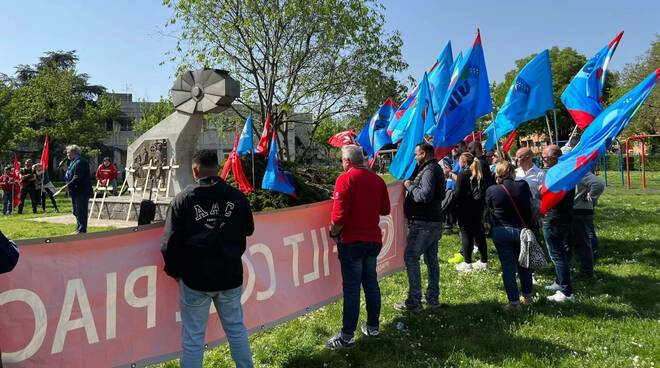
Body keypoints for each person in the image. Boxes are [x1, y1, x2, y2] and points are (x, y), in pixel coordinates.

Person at [161, 149, 254, 367]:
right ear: (218, 167)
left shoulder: (183, 199)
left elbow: (169, 244)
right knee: (236, 329)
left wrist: (174, 272)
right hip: (230, 274)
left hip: (196, 278)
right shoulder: (236, 196)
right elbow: (249, 229)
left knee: (193, 338)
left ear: (195, 169)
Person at [327, 145, 390, 349]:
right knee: (371, 284)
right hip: (373, 240)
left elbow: (338, 216)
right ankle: (372, 327)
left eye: (342, 161)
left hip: (352, 242)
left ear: (347, 161)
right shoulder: (378, 180)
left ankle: (347, 336)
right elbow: (385, 209)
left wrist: (334, 232)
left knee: (352, 289)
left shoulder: (344, 179)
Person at [394, 143, 445, 312]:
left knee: (411, 257)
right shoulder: (433, 168)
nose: (414, 157)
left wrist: (409, 186)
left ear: (423, 154)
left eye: (416, 154)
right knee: (431, 260)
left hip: (424, 223)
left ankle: (414, 301)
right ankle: (432, 298)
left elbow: (424, 195)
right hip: (433, 221)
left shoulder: (429, 170)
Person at [486, 161, 535, 310]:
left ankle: (514, 303)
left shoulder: (492, 190)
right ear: (512, 172)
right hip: (522, 230)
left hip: (501, 230)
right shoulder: (523, 186)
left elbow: (489, 208)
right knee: (524, 265)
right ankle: (527, 297)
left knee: (508, 268)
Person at [541, 145, 576, 302]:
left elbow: (549, 194)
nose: (544, 161)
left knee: (557, 255)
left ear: (555, 158)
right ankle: (559, 282)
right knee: (560, 252)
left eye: (546, 158)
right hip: (561, 217)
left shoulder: (559, 174)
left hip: (555, 218)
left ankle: (566, 291)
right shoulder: (564, 172)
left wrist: (540, 189)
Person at [453, 152, 488, 272]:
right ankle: (484, 261)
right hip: (478, 208)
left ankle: (467, 263)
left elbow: (457, 194)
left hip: (465, 209)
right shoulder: (479, 173)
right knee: (479, 233)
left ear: (463, 162)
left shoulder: (463, 174)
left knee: (466, 234)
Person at [568, 171, 605, 277]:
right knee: (572, 241)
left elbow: (598, 184)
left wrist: (591, 196)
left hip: (580, 210)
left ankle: (586, 271)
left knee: (583, 241)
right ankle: (572, 269)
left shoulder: (579, 171)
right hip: (574, 210)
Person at [64, 145, 92, 233]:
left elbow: (77, 177)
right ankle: (78, 228)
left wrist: (68, 185)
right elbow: (70, 175)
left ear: (74, 152)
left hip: (81, 190)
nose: (67, 154)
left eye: (68, 152)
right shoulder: (73, 162)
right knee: (76, 211)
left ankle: (82, 230)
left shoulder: (81, 162)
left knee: (81, 210)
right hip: (75, 190)